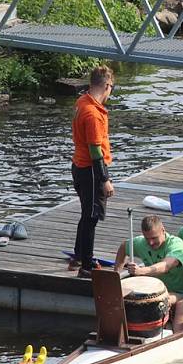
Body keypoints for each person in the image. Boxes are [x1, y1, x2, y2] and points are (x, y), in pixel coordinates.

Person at [70, 66, 114, 279]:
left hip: (77, 166)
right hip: (91, 170)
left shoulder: (82, 102)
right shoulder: (93, 114)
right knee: (91, 217)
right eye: (111, 88)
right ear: (106, 85)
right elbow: (95, 150)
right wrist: (104, 179)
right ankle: (86, 266)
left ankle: (79, 255)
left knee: (85, 213)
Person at [115, 215, 183, 332]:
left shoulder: (177, 245)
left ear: (163, 230)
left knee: (161, 301)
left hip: (181, 292)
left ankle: (171, 334)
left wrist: (141, 271)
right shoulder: (141, 242)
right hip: (154, 291)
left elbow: (165, 266)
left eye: (154, 238)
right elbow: (124, 247)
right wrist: (117, 275)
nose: (150, 242)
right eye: (147, 238)